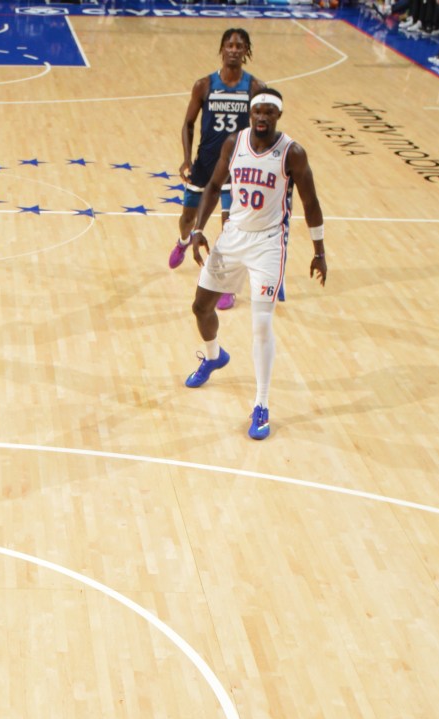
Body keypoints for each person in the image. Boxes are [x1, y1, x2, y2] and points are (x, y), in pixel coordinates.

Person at [182, 91, 328, 441]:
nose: (262, 116)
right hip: (233, 237)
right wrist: (199, 229)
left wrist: (319, 250)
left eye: (269, 112)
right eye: (257, 111)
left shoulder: (292, 153)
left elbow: (310, 201)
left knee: (261, 326)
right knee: (200, 306)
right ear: (250, 113)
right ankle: (215, 356)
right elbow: (215, 186)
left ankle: (261, 404)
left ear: (279, 114)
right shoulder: (235, 143)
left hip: (267, 245)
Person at [170, 28, 260, 272]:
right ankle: (183, 241)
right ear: (221, 49)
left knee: (229, 224)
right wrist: (186, 159)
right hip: (205, 162)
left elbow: (262, 129)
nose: (233, 50)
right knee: (188, 218)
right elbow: (188, 124)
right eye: (229, 45)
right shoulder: (204, 85)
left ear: (246, 51)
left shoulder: (254, 87)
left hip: (235, 166)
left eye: (239, 46)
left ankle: (224, 279)